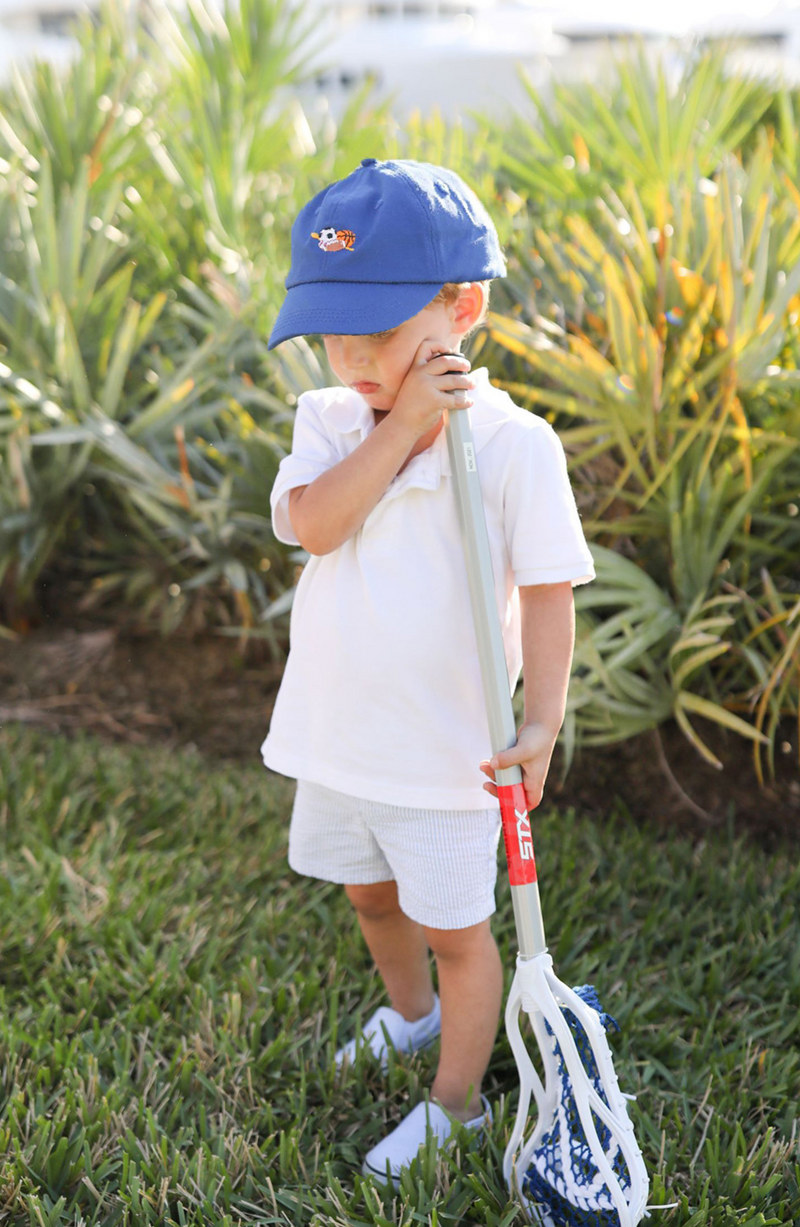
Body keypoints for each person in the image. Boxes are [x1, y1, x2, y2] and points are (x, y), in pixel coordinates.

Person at [260, 157, 595, 1185]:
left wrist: (539, 723)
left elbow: (546, 590)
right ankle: (409, 1018)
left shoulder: (510, 445)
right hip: (338, 736)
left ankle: (451, 1104)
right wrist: (401, 425)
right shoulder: (332, 420)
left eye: (381, 331)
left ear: (462, 307)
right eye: (332, 331)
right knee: (367, 897)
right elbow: (315, 527)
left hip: (449, 756)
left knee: (457, 931)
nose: (353, 356)